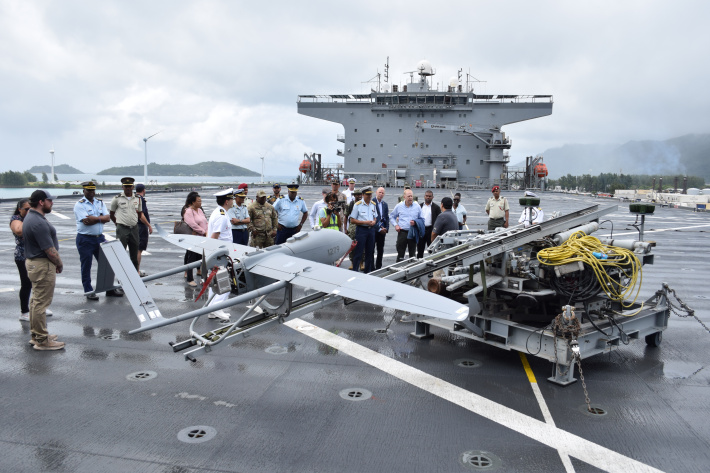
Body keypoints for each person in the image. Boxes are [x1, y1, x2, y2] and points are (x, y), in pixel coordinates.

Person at [23, 190, 64, 350]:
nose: (51, 203)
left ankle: (36, 335)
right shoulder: (38, 222)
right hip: (42, 264)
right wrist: (59, 263)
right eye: (49, 200)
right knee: (41, 303)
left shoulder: (31, 217)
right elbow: (49, 249)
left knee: (35, 301)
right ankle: (42, 340)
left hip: (34, 263)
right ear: (41, 202)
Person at [73, 181, 113, 300]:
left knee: (106, 264)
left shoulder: (99, 202)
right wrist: (101, 218)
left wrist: (95, 218)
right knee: (86, 265)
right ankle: (88, 290)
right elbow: (87, 221)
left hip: (99, 238)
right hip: (85, 239)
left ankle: (109, 288)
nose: (91, 192)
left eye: (93, 190)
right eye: (88, 190)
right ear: (83, 191)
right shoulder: (79, 205)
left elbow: (108, 218)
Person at [10, 199, 41, 321]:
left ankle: (39, 307)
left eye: (31, 209)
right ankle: (24, 311)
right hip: (22, 256)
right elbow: (19, 231)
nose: (29, 211)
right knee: (26, 283)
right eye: (26, 209)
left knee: (38, 282)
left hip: (36, 255)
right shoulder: (16, 219)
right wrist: (30, 218)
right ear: (20, 209)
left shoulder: (34, 217)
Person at [206, 188, 235, 320]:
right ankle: (217, 308)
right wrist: (215, 256)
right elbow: (214, 236)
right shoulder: (221, 216)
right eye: (232, 199)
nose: (233, 201)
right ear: (227, 201)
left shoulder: (219, 212)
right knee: (225, 281)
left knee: (214, 282)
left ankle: (212, 309)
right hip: (219, 255)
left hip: (217, 253)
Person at [109, 177, 148, 272]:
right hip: (122, 228)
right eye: (126, 186)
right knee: (121, 254)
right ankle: (121, 279)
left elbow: (139, 213)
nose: (128, 188)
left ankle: (134, 277)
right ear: (122, 187)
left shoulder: (138, 199)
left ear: (133, 187)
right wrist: (117, 223)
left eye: (130, 186)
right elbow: (111, 214)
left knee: (134, 256)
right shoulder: (117, 199)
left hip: (134, 229)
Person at [183, 192, 208, 287]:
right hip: (193, 238)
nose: (200, 203)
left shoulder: (200, 210)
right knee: (191, 258)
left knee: (202, 258)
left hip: (202, 238)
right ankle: (190, 278)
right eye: (198, 201)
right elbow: (192, 224)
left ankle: (203, 277)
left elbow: (205, 221)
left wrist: (207, 230)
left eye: (201, 201)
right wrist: (203, 231)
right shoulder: (188, 211)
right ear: (193, 202)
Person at [349, 186, 377, 273]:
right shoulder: (357, 205)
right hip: (361, 230)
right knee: (358, 252)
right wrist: (365, 222)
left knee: (370, 252)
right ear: (363, 195)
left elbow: (375, 217)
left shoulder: (373, 204)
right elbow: (352, 220)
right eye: (367, 195)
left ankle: (367, 272)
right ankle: (355, 271)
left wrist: (374, 222)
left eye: (370, 194)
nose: (369, 196)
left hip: (371, 230)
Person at [390, 188, 422, 262]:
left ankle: (412, 271)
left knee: (412, 255)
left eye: (411, 196)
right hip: (402, 232)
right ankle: (398, 270)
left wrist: (416, 222)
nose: (410, 198)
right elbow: (391, 216)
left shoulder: (417, 206)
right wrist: (395, 225)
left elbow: (422, 219)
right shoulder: (399, 206)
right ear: (404, 197)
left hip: (413, 232)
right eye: (409, 196)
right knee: (400, 254)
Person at [135, 183, 153, 277]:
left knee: (136, 249)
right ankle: (136, 271)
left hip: (135, 226)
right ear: (144, 190)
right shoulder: (140, 199)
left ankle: (135, 270)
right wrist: (149, 225)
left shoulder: (134, 198)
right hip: (141, 226)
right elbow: (141, 215)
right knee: (139, 250)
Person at [417, 190, 441, 258]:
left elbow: (439, 220)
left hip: (431, 230)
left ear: (432, 197)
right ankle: (419, 263)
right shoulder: (419, 206)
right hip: (421, 230)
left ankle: (433, 264)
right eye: (427, 196)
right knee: (420, 249)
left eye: (430, 196)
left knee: (432, 249)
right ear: (424, 196)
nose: (428, 197)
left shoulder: (436, 207)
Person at [373, 187, 389, 269]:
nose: (381, 194)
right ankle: (371, 267)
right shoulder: (372, 202)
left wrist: (386, 229)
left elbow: (386, 217)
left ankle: (378, 266)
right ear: (376, 192)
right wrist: (378, 229)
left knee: (380, 250)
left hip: (382, 231)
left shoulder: (385, 204)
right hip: (374, 230)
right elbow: (371, 218)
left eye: (382, 193)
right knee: (371, 250)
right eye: (380, 192)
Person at [346, 188, 363, 268]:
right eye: (358, 194)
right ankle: (352, 262)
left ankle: (361, 262)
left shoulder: (364, 204)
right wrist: (345, 228)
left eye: (360, 194)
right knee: (352, 245)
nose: (359, 196)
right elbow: (346, 216)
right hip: (352, 228)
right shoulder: (351, 204)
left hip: (362, 226)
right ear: (354, 195)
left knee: (362, 245)